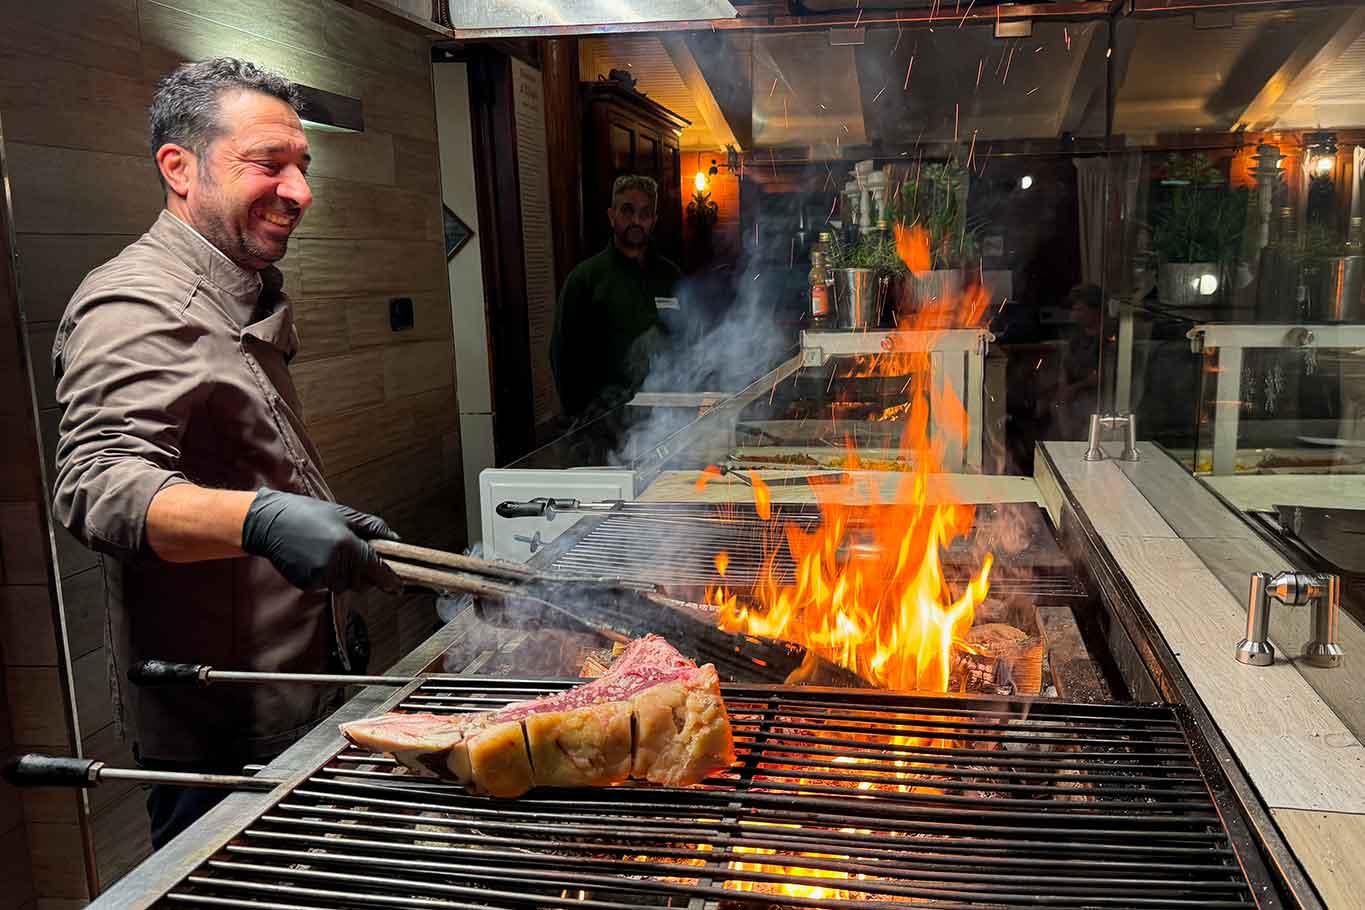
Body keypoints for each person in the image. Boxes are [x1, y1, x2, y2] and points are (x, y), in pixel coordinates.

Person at [50, 58, 401, 849]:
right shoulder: (138, 302)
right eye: (267, 164)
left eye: (302, 166)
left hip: (294, 695)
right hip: (220, 730)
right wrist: (263, 517)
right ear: (180, 167)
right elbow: (97, 484)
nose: (300, 191)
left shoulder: (233, 283)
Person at [550, 174, 683, 419]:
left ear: (653, 220)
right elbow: (563, 356)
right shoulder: (585, 278)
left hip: (664, 419)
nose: (636, 220)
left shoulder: (671, 276)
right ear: (612, 216)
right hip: (603, 421)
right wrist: (582, 418)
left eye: (644, 213)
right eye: (627, 211)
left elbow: (686, 341)